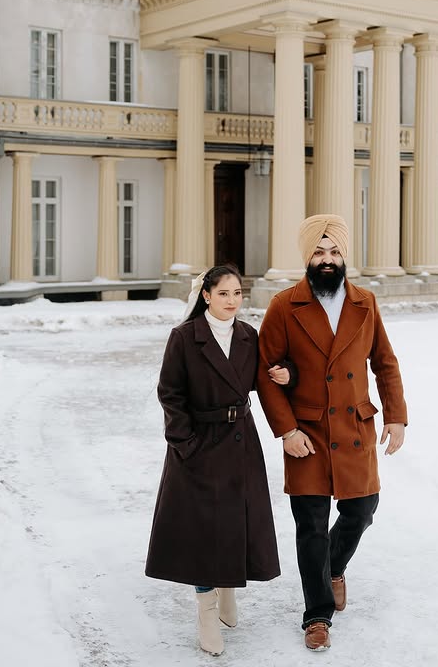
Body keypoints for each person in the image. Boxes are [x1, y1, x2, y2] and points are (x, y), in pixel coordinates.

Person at [256, 214, 408, 651]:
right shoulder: (284, 305)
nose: (328, 259)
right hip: (306, 431)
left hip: (354, 425)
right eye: (319, 252)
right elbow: (266, 373)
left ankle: (334, 567)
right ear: (307, 257)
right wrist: (286, 431)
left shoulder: (365, 302)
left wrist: (396, 416)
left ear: (344, 257)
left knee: (362, 509)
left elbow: (384, 362)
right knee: (311, 525)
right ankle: (317, 615)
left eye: (335, 251)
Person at [145, 264, 292, 656]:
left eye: (237, 293)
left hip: (240, 442)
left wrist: (286, 373)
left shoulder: (248, 335)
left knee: (234, 521)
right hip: (198, 444)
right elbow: (170, 393)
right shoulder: (184, 337)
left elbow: (263, 378)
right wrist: (185, 443)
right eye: (223, 293)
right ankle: (207, 612)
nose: (231, 301)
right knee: (202, 532)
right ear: (206, 295)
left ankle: (228, 588)